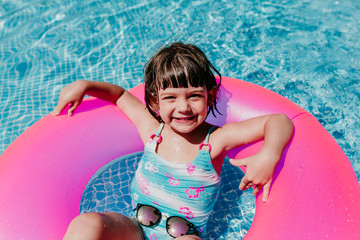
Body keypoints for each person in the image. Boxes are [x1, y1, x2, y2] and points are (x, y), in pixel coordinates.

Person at [52, 42, 293, 240]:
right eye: (171, 98)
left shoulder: (216, 141)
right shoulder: (152, 131)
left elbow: (279, 121)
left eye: (194, 96)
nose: (184, 107)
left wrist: (269, 154)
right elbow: (120, 95)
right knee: (87, 222)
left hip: (184, 235)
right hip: (136, 227)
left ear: (210, 96)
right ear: (155, 102)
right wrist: (85, 86)